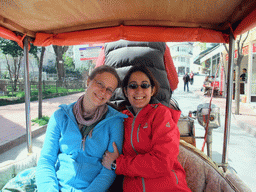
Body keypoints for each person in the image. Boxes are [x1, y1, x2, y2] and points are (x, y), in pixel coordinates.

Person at [36, 65, 127, 192]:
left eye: (109, 89)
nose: (103, 91)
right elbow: (46, 160)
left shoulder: (114, 121)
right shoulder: (60, 116)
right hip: (57, 186)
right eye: (100, 84)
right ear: (88, 81)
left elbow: (109, 170)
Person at [102, 65, 191, 192]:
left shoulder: (161, 115)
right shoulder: (121, 119)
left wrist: (118, 164)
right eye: (133, 86)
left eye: (144, 85)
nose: (139, 90)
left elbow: (162, 162)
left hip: (169, 187)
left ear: (152, 90)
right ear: (126, 92)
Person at [96, 40, 179, 108]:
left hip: (118, 111)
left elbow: (97, 81)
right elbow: (174, 83)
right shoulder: (161, 44)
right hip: (156, 113)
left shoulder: (108, 46)